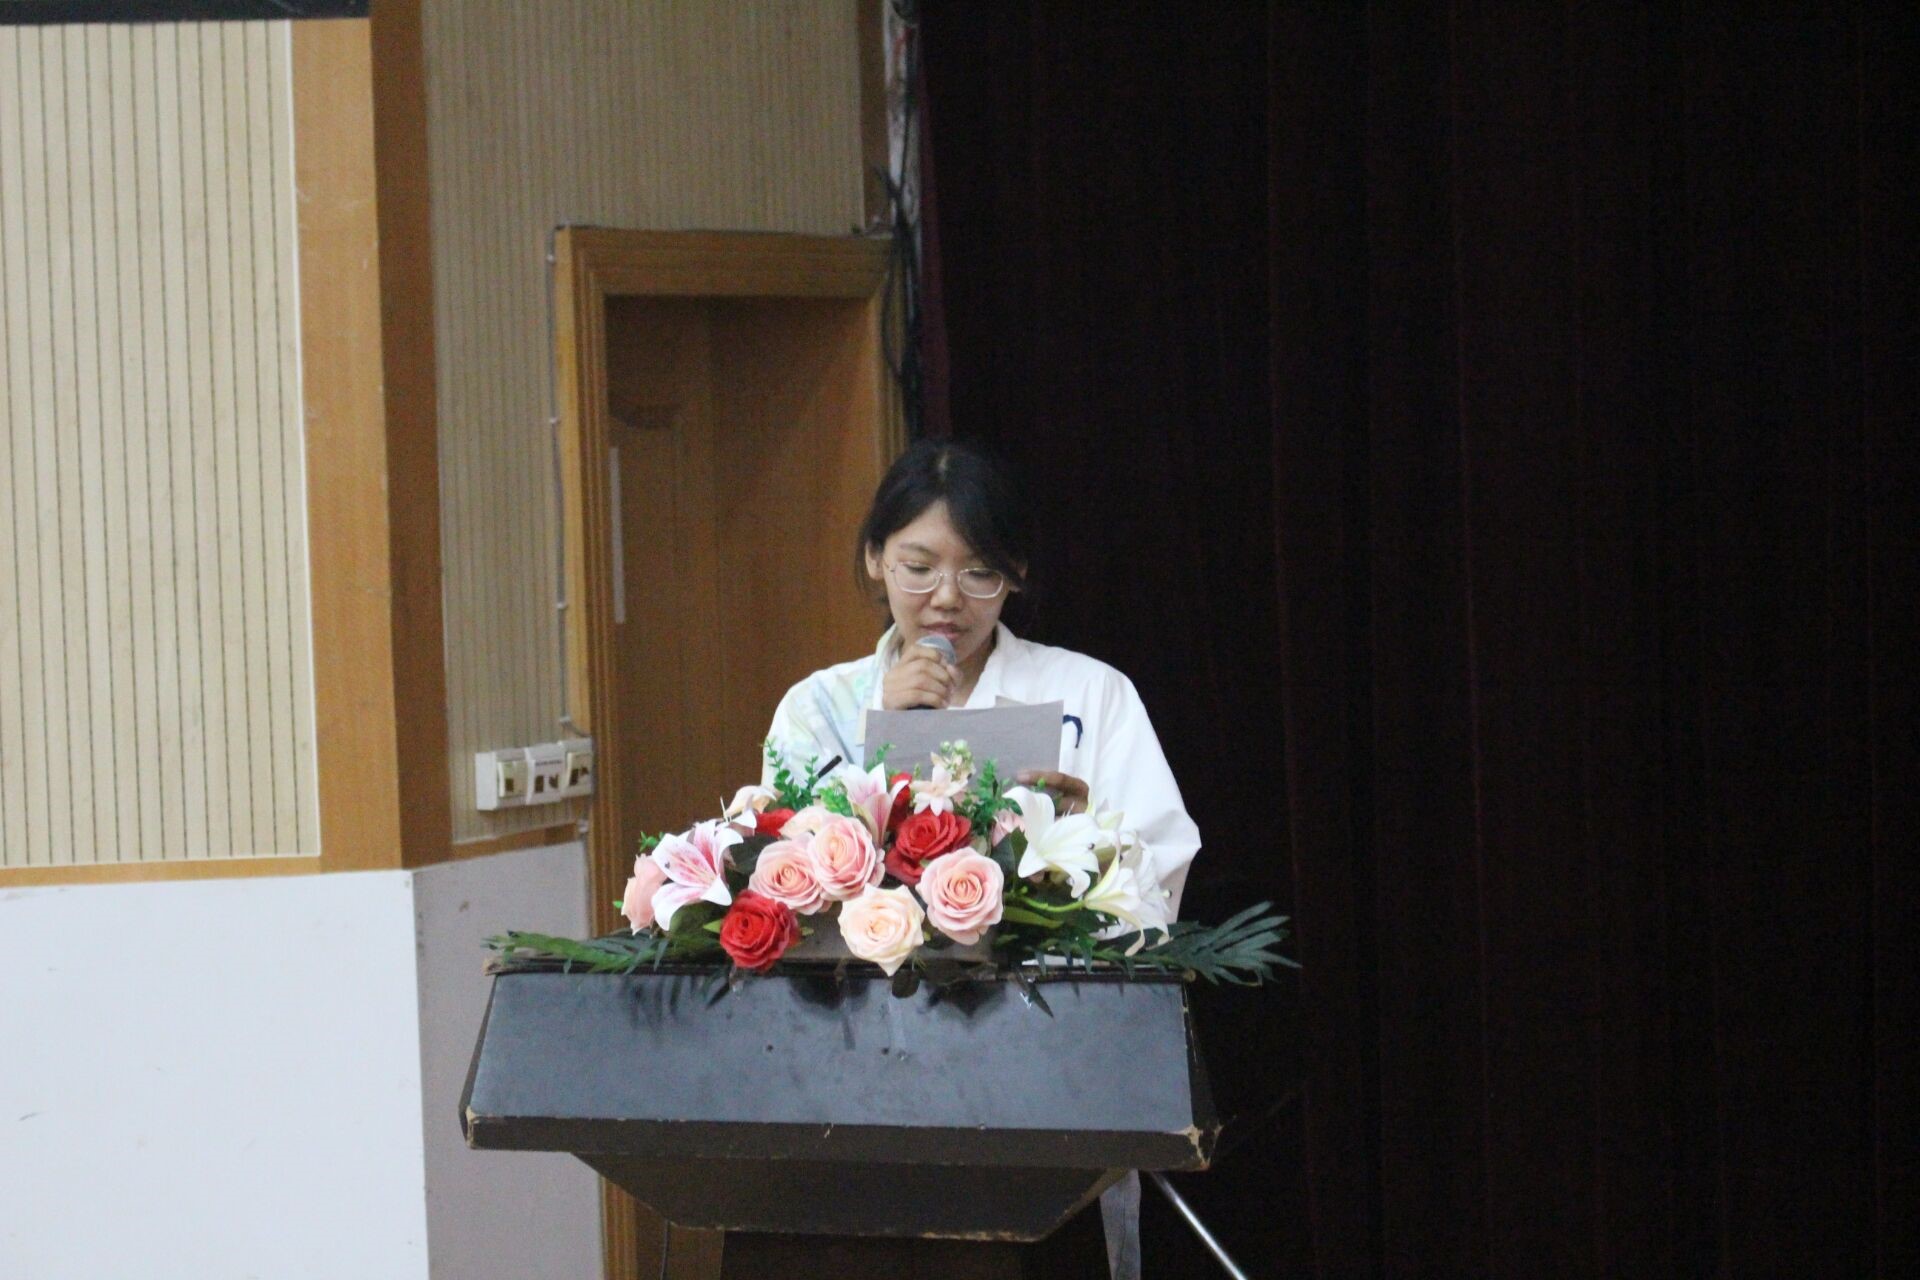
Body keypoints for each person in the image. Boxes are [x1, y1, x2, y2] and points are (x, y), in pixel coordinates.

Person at [761, 438, 1201, 919]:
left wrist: (1089, 836)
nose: (948, 597)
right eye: (919, 568)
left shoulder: (1092, 693)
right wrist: (886, 737)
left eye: (979, 572)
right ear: (874, 558)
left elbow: (1162, 868)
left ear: (1015, 572)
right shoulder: (818, 709)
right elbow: (788, 882)